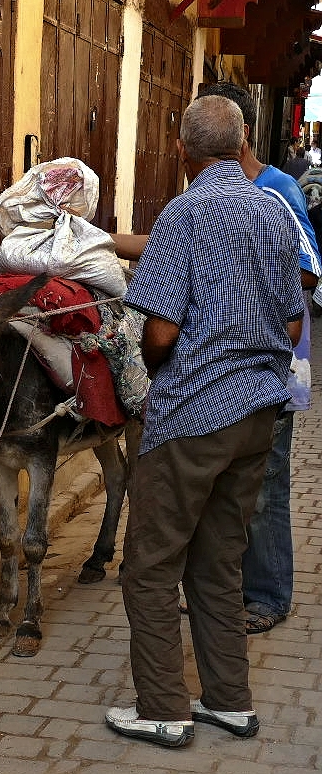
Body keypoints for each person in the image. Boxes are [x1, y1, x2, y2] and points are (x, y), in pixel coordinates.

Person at [105, 94, 304, 748]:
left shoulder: (183, 214)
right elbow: (293, 319)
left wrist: (165, 369)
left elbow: (158, 329)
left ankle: (162, 708)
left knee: (149, 565)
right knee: (219, 564)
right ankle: (229, 701)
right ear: (241, 141)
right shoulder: (271, 210)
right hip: (257, 415)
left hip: (194, 413)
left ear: (181, 150)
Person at [198, 82, 322, 635]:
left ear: (239, 134)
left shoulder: (276, 192)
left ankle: (269, 594)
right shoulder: (213, 193)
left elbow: (306, 274)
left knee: (267, 482)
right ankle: (221, 590)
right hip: (225, 370)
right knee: (223, 483)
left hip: (274, 367)